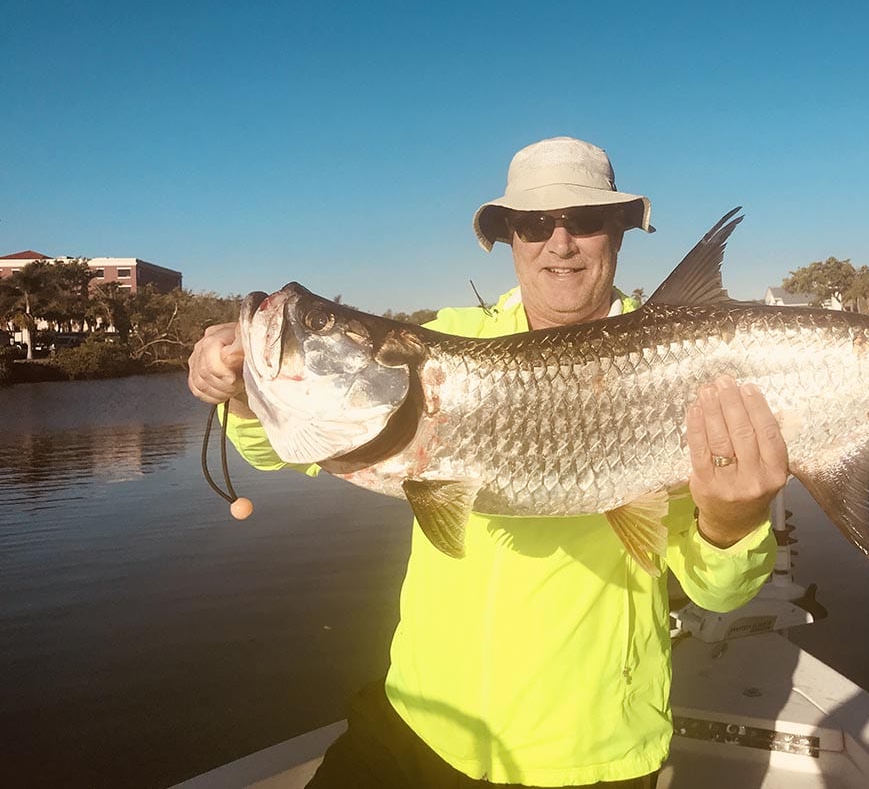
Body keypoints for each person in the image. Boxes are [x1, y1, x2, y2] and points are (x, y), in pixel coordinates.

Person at [187, 136, 789, 788]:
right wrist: (240, 392)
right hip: (418, 720)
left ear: (619, 230)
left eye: (584, 220)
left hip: (584, 755)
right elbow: (296, 446)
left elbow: (716, 591)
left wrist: (735, 520)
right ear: (508, 237)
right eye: (534, 224)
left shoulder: (692, 376)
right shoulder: (447, 339)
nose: (560, 243)